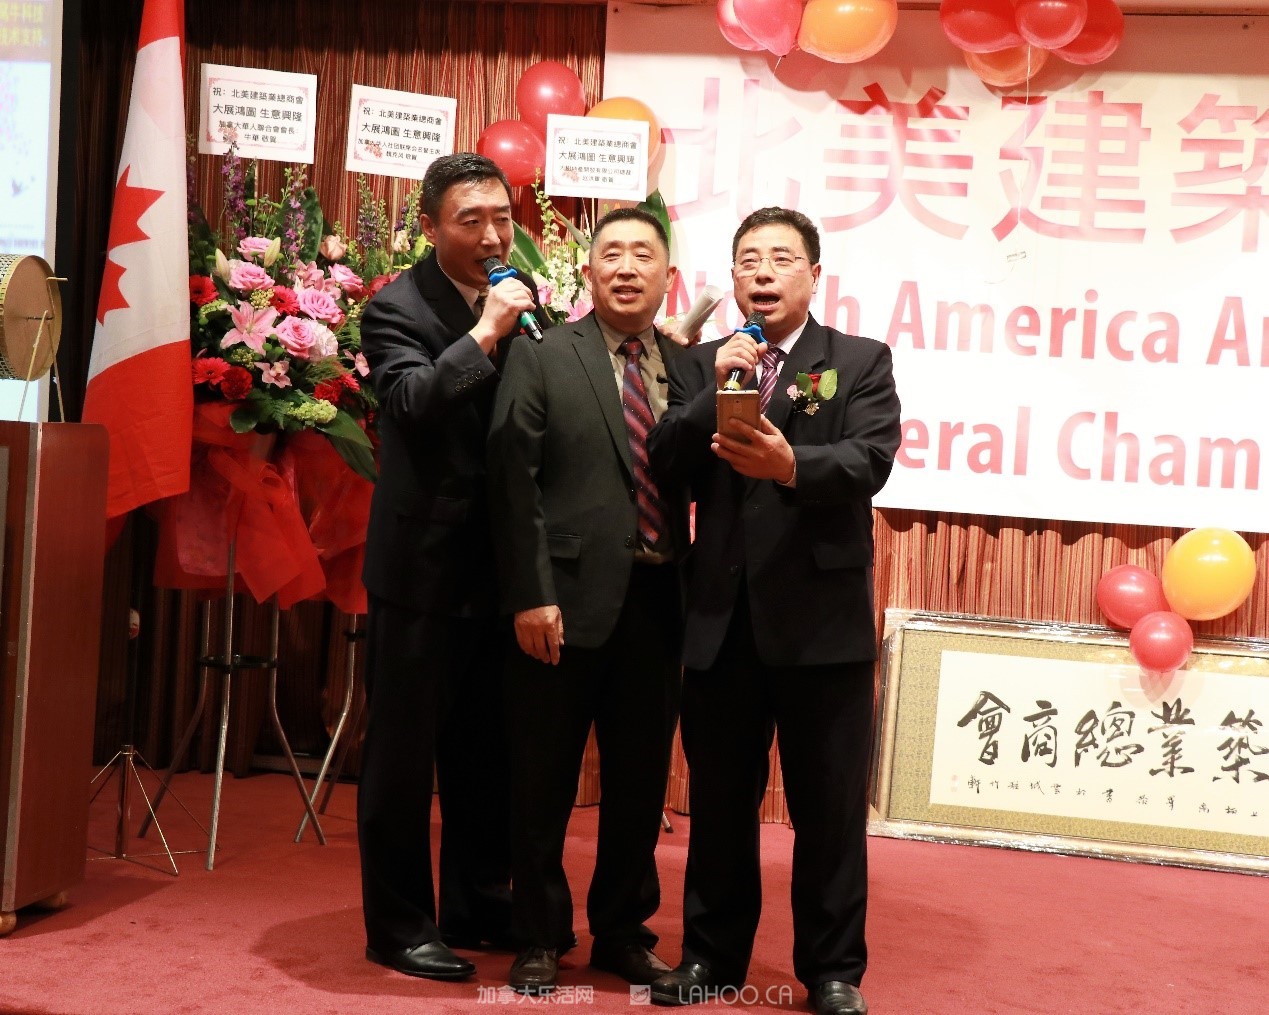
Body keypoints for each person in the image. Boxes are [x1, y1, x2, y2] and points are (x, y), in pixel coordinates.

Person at [646, 207, 901, 1015]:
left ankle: (832, 972)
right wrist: (711, 387)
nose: (762, 272)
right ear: (732, 277)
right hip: (721, 619)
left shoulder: (856, 360)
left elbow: (869, 459)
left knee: (827, 810)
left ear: (813, 276)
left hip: (821, 624)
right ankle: (709, 956)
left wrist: (793, 464)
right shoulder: (700, 362)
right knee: (720, 804)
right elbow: (664, 460)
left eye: (781, 259)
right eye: (748, 259)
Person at [486, 207, 688, 996]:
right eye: (612, 254)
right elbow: (513, 479)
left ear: (668, 276)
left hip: (659, 600)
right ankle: (538, 933)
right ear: (588, 271)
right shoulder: (542, 354)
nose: (627, 267)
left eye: (644, 254)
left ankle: (622, 932)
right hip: (560, 605)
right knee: (540, 778)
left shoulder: (690, 366)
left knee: (638, 782)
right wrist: (530, 593)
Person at [356, 152, 546, 981]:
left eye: (501, 217)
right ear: (430, 225)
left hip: (499, 568)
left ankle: (476, 900)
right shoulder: (395, 307)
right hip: (421, 569)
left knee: (486, 752)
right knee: (403, 757)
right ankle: (398, 924)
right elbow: (409, 403)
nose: (492, 235)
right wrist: (485, 333)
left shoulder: (523, 299)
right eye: (471, 220)